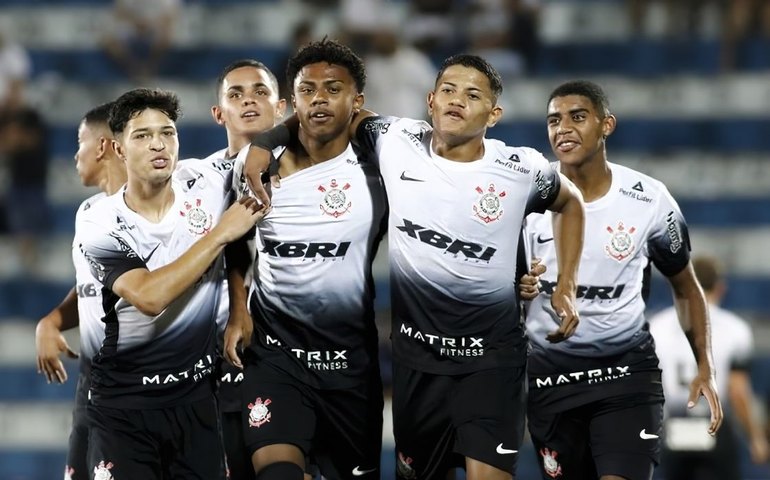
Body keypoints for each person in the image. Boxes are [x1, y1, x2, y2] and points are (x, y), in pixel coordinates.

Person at [242, 52, 586, 480]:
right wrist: (264, 142)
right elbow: (325, 110)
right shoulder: (393, 140)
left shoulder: (521, 168)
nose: (456, 100)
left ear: (494, 114)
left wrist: (566, 283)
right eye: (448, 90)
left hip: (490, 362)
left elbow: (571, 203)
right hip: (416, 365)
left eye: (472, 95)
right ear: (430, 100)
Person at [522, 79, 723, 480]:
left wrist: (705, 365)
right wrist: (518, 286)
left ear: (607, 124)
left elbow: (685, 286)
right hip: (551, 379)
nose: (563, 128)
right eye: (554, 120)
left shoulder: (649, 199)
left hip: (626, 378)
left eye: (578, 117)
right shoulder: (524, 197)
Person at [77, 88, 264, 479]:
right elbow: (149, 297)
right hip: (124, 408)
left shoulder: (207, 181)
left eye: (167, 132)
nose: (158, 144)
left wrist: (239, 307)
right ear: (119, 149)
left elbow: (264, 143)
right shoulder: (99, 221)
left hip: (196, 401)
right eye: (142, 135)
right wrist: (220, 233)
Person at [225, 39, 389, 480]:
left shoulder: (382, 170)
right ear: (292, 101)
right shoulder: (258, 170)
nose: (319, 99)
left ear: (357, 101)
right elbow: (235, 243)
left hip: (350, 366)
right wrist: (239, 308)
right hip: (276, 359)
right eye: (307, 90)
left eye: (333, 89)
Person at [34, 101, 127, 480]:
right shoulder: (88, 211)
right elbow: (93, 286)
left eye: (80, 142)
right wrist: (52, 322)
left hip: (139, 389)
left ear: (103, 146)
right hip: (92, 385)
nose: (75, 154)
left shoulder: (155, 210)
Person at [208, 58, 286, 480]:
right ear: (218, 113)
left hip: (293, 346)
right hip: (222, 352)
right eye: (235, 95)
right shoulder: (194, 181)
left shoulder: (313, 173)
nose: (248, 101)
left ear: (282, 107)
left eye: (260, 91)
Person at [650, 255, 769, 479]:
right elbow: (737, 390)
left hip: (674, 424)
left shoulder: (657, 326)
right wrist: (755, 437)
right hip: (715, 423)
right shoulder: (735, 328)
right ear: (720, 287)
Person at [101, 0, 181, 81]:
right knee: (108, 39)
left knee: (167, 34)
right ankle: (133, 67)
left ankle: (150, 67)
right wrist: (136, 22)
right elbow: (119, 12)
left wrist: (150, 23)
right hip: (132, 26)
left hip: (156, 26)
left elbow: (171, 16)